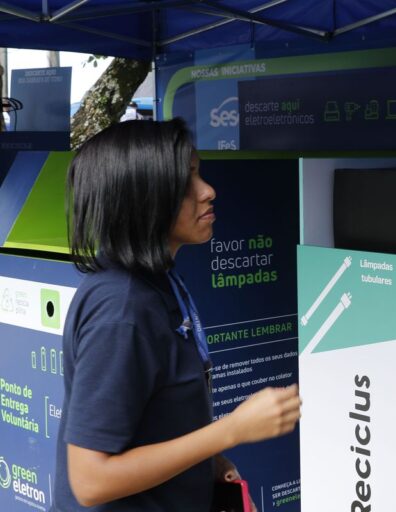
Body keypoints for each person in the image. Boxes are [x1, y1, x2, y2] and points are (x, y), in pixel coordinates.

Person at [55, 119, 301, 511]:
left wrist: (211, 464)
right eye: (185, 181)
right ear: (142, 197)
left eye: (198, 172)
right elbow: (90, 479)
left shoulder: (157, 281)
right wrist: (230, 431)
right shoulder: (122, 309)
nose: (207, 191)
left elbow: (152, 423)